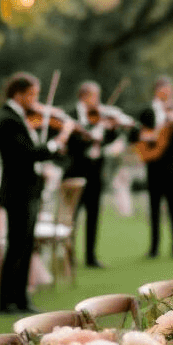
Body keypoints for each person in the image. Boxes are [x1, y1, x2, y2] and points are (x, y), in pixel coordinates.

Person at [0, 72, 75, 314]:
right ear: (18, 94)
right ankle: (7, 301)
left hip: (29, 190)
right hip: (18, 191)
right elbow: (26, 154)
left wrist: (52, 150)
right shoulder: (8, 120)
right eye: (32, 95)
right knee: (17, 246)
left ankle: (20, 298)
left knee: (26, 246)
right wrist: (56, 142)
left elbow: (32, 153)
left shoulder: (18, 117)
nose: (35, 100)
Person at [63, 81, 119, 268]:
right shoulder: (69, 115)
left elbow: (110, 139)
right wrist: (92, 135)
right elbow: (72, 144)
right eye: (95, 97)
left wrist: (110, 128)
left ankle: (91, 256)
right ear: (85, 96)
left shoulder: (101, 117)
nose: (98, 101)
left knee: (94, 214)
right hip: (75, 171)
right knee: (71, 217)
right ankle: (69, 256)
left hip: (95, 171)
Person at [138, 75, 173, 259]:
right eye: (165, 91)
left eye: (170, 92)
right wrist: (153, 133)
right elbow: (138, 136)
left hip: (172, 166)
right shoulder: (147, 112)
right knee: (154, 208)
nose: (169, 95)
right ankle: (153, 248)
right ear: (157, 91)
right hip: (153, 165)